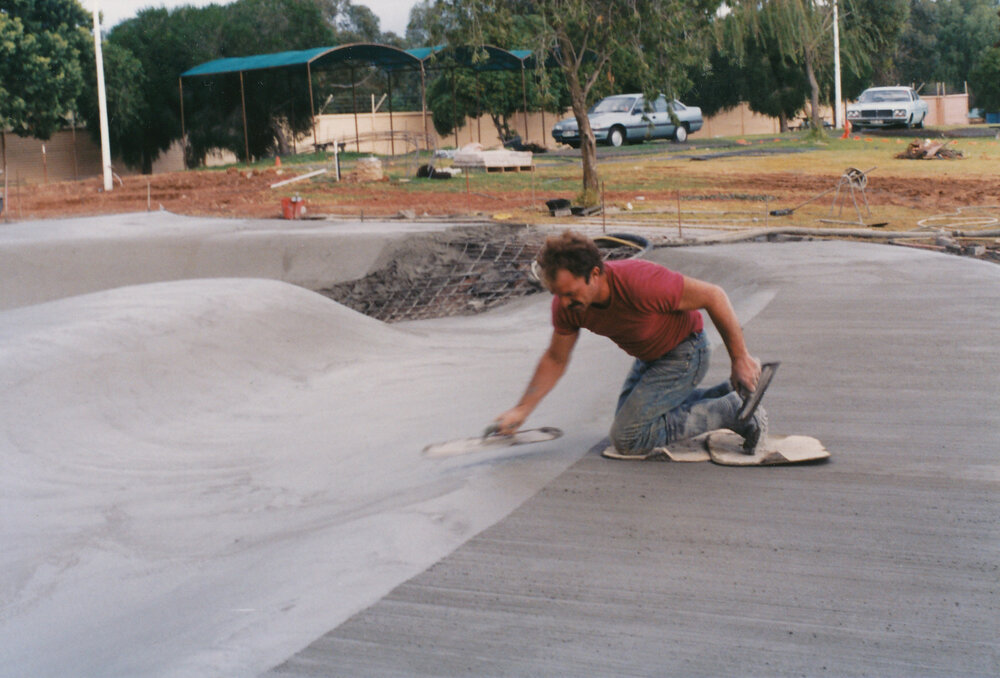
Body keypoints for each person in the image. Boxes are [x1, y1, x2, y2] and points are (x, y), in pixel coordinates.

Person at [494, 230, 768, 456]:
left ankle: (734, 412)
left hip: (685, 353)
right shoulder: (567, 305)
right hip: (650, 359)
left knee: (629, 437)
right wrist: (522, 409)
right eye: (557, 294)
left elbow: (714, 296)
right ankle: (730, 394)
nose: (564, 303)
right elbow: (556, 358)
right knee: (634, 423)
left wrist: (739, 358)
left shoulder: (641, 282)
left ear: (595, 274)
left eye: (570, 293)